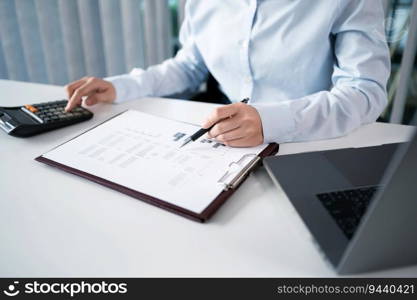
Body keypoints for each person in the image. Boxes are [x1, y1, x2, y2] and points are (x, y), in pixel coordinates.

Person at [64, 0, 390, 147]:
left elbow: (364, 93)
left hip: (313, 140)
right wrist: (121, 86)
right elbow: (190, 65)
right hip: (228, 141)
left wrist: (270, 121)